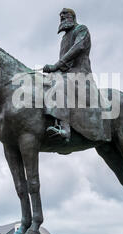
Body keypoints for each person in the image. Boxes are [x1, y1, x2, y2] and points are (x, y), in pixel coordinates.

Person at [43, 8, 111, 143]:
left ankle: (65, 129)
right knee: (44, 83)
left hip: (80, 73)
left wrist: (57, 65)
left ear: (72, 17)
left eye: (65, 15)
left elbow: (78, 47)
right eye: (60, 16)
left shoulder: (81, 29)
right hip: (65, 73)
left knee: (60, 84)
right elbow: (64, 63)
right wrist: (53, 70)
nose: (62, 17)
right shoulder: (64, 38)